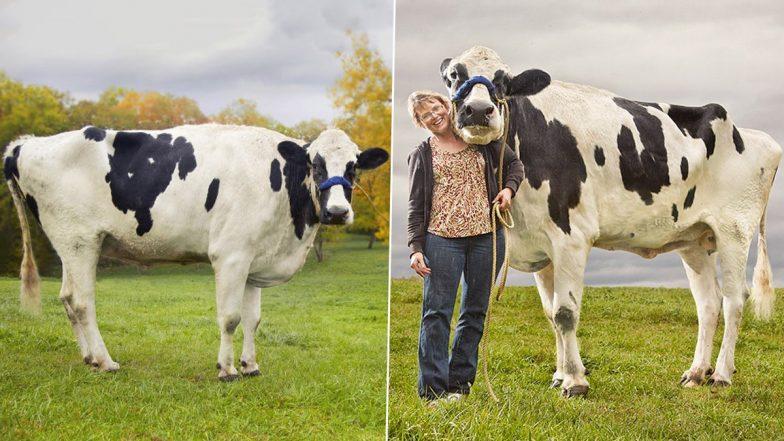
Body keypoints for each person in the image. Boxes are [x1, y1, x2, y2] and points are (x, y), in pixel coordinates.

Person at [406, 90, 524, 403]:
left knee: (474, 312)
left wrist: (508, 191)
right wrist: (416, 248)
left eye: (436, 107)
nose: (434, 115)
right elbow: (416, 206)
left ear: (447, 106)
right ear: (420, 123)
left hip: (486, 237)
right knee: (437, 313)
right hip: (442, 239)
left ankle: (459, 386)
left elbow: (515, 166)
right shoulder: (422, 154)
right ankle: (432, 391)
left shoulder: (479, 139)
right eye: (425, 115)